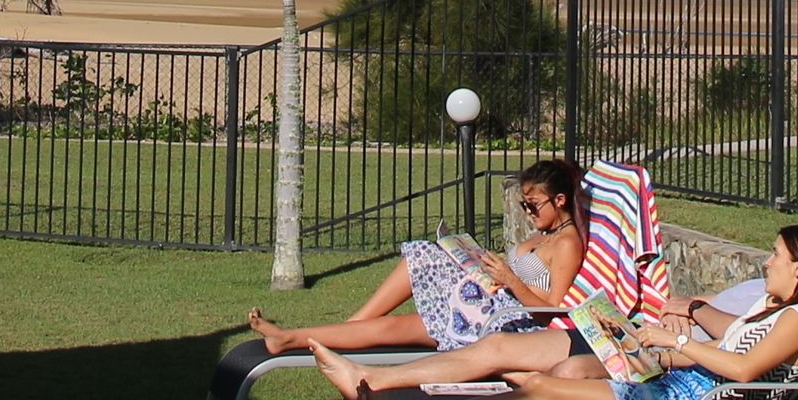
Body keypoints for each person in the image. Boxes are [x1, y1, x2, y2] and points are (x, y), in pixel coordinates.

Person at [311, 222, 798, 400]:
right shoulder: (775, 309)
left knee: (537, 395)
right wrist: (695, 314)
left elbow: (745, 371)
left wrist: (677, 346)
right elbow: (734, 337)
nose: (766, 261)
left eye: (776, 256)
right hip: (675, 388)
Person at [245, 156, 584, 356]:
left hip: (505, 322)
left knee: (392, 326)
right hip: (488, 302)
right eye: (524, 205)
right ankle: (327, 333)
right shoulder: (544, 234)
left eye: (533, 205)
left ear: (560, 200)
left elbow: (551, 309)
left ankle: (299, 337)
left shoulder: (567, 244)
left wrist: (508, 277)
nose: (527, 212)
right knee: (424, 254)